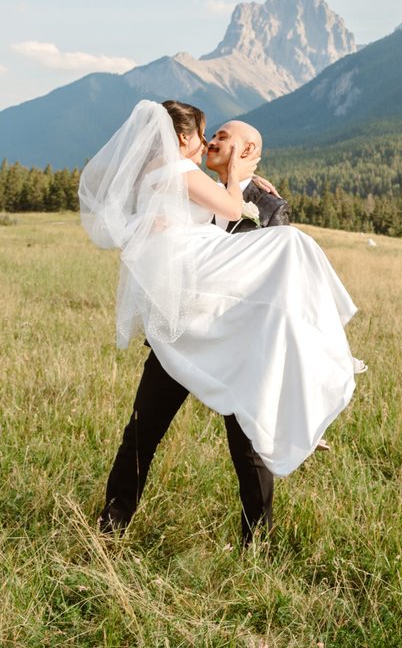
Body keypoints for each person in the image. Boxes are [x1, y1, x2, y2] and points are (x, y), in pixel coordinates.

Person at [81, 99, 363, 545]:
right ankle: (110, 529)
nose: (214, 141)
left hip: (238, 345)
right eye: (212, 136)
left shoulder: (268, 206)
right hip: (179, 333)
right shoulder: (185, 186)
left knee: (247, 448)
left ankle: (257, 543)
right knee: (141, 432)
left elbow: (278, 288)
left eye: (224, 137)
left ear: (250, 150)